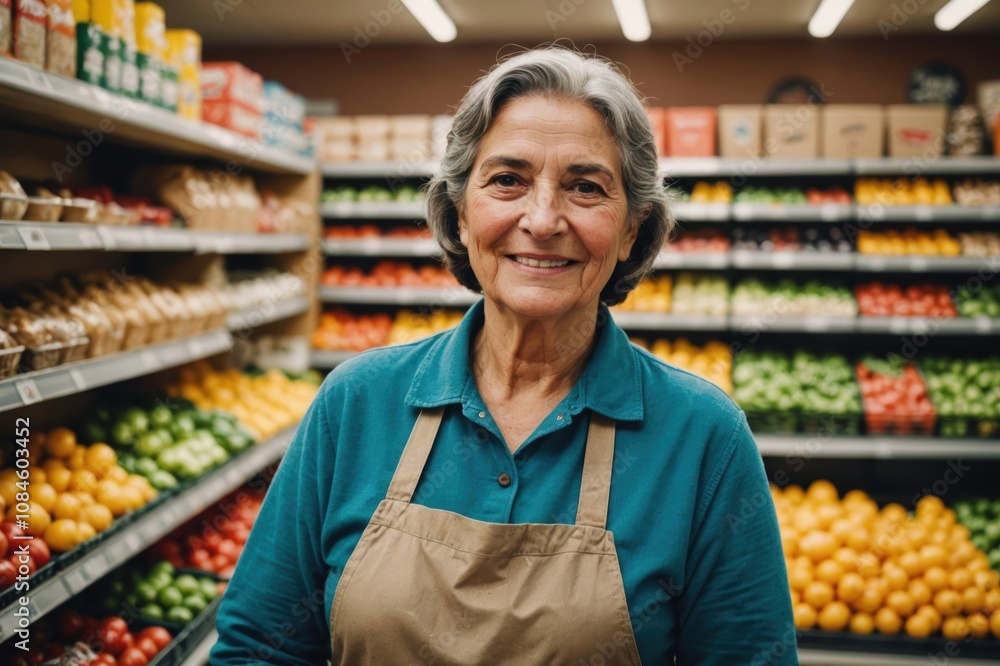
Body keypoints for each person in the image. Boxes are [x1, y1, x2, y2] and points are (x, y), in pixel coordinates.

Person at [211, 46, 795, 665]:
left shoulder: (702, 435)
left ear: (632, 229)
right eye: (508, 180)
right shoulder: (355, 403)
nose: (542, 220)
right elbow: (258, 648)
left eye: (586, 187)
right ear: (460, 212)